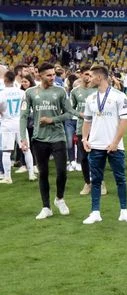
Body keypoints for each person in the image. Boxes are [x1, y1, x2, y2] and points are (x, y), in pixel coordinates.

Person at [20, 62, 78, 219]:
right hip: (39, 138)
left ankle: (59, 198)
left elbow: (69, 113)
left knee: (62, 171)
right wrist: (23, 138)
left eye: (53, 74)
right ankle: (46, 207)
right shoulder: (30, 92)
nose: (52, 77)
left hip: (58, 136)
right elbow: (23, 116)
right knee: (43, 173)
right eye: (49, 75)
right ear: (39, 75)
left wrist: (52, 120)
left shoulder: (60, 91)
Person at [81, 65, 127, 224]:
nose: (89, 79)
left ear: (99, 77)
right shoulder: (90, 98)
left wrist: (115, 142)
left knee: (120, 179)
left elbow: (124, 121)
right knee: (96, 180)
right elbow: (87, 120)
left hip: (115, 146)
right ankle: (95, 212)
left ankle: (124, 211)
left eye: (91, 76)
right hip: (95, 145)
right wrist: (85, 138)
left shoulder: (119, 96)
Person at [70, 66, 104, 196]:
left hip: (97, 128)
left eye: (90, 75)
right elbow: (70, 108)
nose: (88, 77)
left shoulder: (97, 90)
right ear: (81, 75)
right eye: (86, 74)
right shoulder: (75, 92)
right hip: (81, 128)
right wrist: (80, 114)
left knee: (98, 156)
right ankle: (87, 183)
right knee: (84, 157)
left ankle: (100, 182)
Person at [0, 71, 36, 184]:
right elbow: (27, 107)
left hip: (7, 123)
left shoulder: (2, 93)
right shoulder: (21, 93)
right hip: (20, 123)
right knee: (26, 149)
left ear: (5, 80)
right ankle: (31, 174)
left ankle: (7, 177)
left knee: (6, 151)